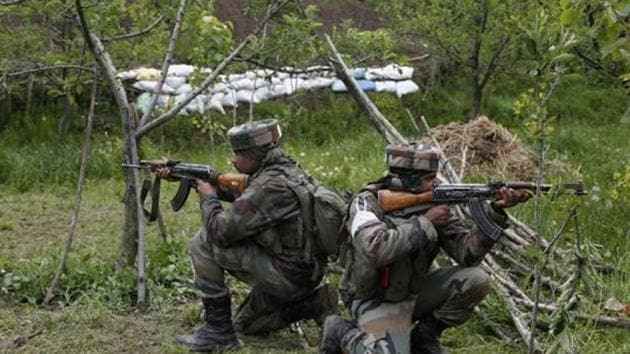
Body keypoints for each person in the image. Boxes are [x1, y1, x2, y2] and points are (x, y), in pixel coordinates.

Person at [320, 143, 530, 354]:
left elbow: (467, 255)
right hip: (373, 297)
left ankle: (424, 339)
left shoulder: (432, 203)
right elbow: (375, 250)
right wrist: (426, 223)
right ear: (409, 180)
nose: (437, 182)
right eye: (429, 178)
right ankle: (340, 330)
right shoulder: (366, 204)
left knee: (477, 279)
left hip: (413, 292)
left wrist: (495, 212)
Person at [167, 119, 337, 351]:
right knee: (246, 324)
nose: (233, 160)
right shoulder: (285, 170)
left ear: (255, 154)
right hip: (303, 272)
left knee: (205, 241)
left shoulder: (269, 187)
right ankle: (312, 304)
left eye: (238, 153)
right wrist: (197, 176)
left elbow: (220, 232)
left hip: (286, 278)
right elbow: (246, 195)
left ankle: (218, 331)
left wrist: (208, 197)